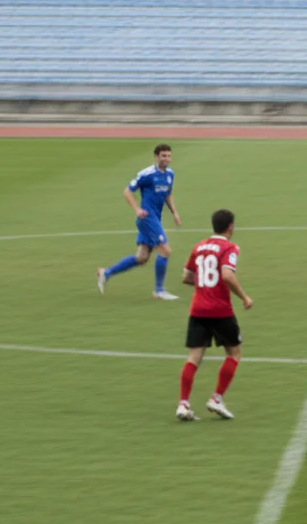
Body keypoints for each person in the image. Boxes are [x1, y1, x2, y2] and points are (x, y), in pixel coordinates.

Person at [176, 209, 253, 421]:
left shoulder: (199, 246)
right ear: (230, 227)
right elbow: (227, 275)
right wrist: (244, 297)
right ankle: (216, 398)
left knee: (194, 357)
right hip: (220, 310)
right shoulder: (230, 247)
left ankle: (183, 404)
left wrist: (204, 284)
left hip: (198, 309)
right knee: (234, 353)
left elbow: (186, 277)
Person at [96, 144, 182, 300]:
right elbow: (127, 191)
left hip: (155, 218)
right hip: (147, 218)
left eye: (168, 156)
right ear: (156, 157)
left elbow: (168, 194)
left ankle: (105, 273)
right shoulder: (146, 174)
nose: (166, 159)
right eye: (163, 156)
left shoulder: (170, 174)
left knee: (141, 258)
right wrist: (137, 209)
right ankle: (159, 291)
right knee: (165, 251)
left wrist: (175, 213)